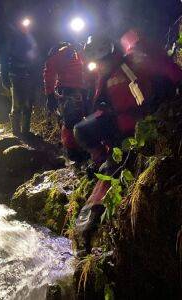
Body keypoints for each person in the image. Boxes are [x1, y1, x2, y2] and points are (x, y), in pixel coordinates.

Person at [73, 31, 182, 250]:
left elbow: (168, 72)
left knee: (110, 171)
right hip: (118, 127)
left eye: (100, 60)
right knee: (81, 130)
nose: (98, 64)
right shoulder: (106, 74)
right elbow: (103, 105)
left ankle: (86, 230)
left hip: (135, 131)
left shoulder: (131, 64)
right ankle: (100, 160)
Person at [43, 42, 88, 161]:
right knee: (71, 120)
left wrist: (50, 94)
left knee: (78, 118)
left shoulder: (83, 51)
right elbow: (49, 73)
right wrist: (50, 94)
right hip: (69, 90)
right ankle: (72, 152)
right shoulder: (64, 53)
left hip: (83, 88)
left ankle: (80, 147)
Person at [1, 19, 40, 136]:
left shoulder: (30, 40)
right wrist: (4, 78)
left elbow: (35, 59)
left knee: (28, 104)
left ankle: (26, 132)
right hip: (15, 76)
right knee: (17, 104)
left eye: (27, 26)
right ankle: (16, 133)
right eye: (23, 26)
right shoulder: (12, 41)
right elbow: (3, 60)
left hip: (28, 76)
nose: (25, 28)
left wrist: (36, 76)